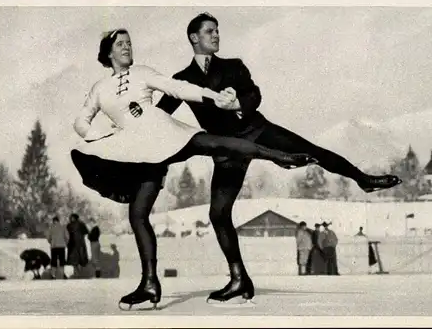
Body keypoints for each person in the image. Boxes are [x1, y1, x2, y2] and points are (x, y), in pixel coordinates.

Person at [154, 12, 402, 302]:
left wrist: (238, 103)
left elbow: (254, 94)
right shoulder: (182, 80)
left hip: (257, 130)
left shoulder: (233, 66)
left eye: (218, 30)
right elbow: (159, 116)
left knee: (314, 151)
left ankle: (363, 179)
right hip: (227, 149)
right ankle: (239, 280)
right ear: (194, 38)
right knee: (218, 214)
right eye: (210, 31)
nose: (216, 35)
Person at [70, 28, 313, 310]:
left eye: (129, 43)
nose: (126, 47)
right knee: (138, 215)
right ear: (108, 52)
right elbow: (81, 120)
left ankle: (278, 156)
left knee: (218, 144)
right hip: (138, 151)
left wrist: (212, 97)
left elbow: (179, 88)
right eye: (120, 44)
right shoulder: (99, 89)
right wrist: (103, 136)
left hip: (161, 131)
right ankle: (149, 284)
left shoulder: (143, 72)